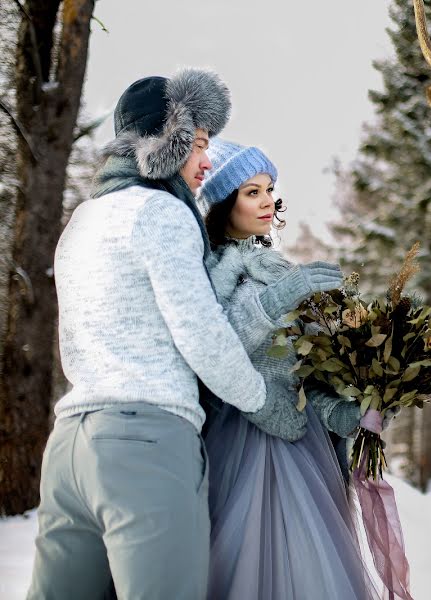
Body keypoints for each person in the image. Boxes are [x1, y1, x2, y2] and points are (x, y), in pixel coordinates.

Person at [28, 69, 341, 600]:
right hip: (145, 444)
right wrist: (267, 404)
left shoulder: (83, 219)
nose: (205, 162)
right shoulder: (163, 212)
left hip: (69, 448)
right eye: (197, 145)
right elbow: (203, 337)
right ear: (164, 145)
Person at [199, 140, 382, 599]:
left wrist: (344, 408)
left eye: (269, 189)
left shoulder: (279, 267)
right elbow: (216, 346)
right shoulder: (210, 268)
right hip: (240, 440)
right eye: (251, 192)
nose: (266, 202)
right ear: (224, 202)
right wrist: (280, 299)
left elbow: (303, 367)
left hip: (303, 443)